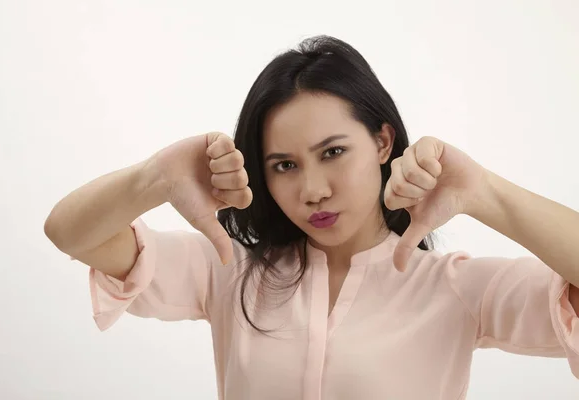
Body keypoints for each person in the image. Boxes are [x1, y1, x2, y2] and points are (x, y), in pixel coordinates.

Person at [44, 35, 579, 400]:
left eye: (333, 152)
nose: (313, 190)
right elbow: (68, 232)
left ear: (382, 140)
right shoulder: (226, 270)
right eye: (285, 165)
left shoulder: (458, 288)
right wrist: (154, 178)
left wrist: (486, 192)